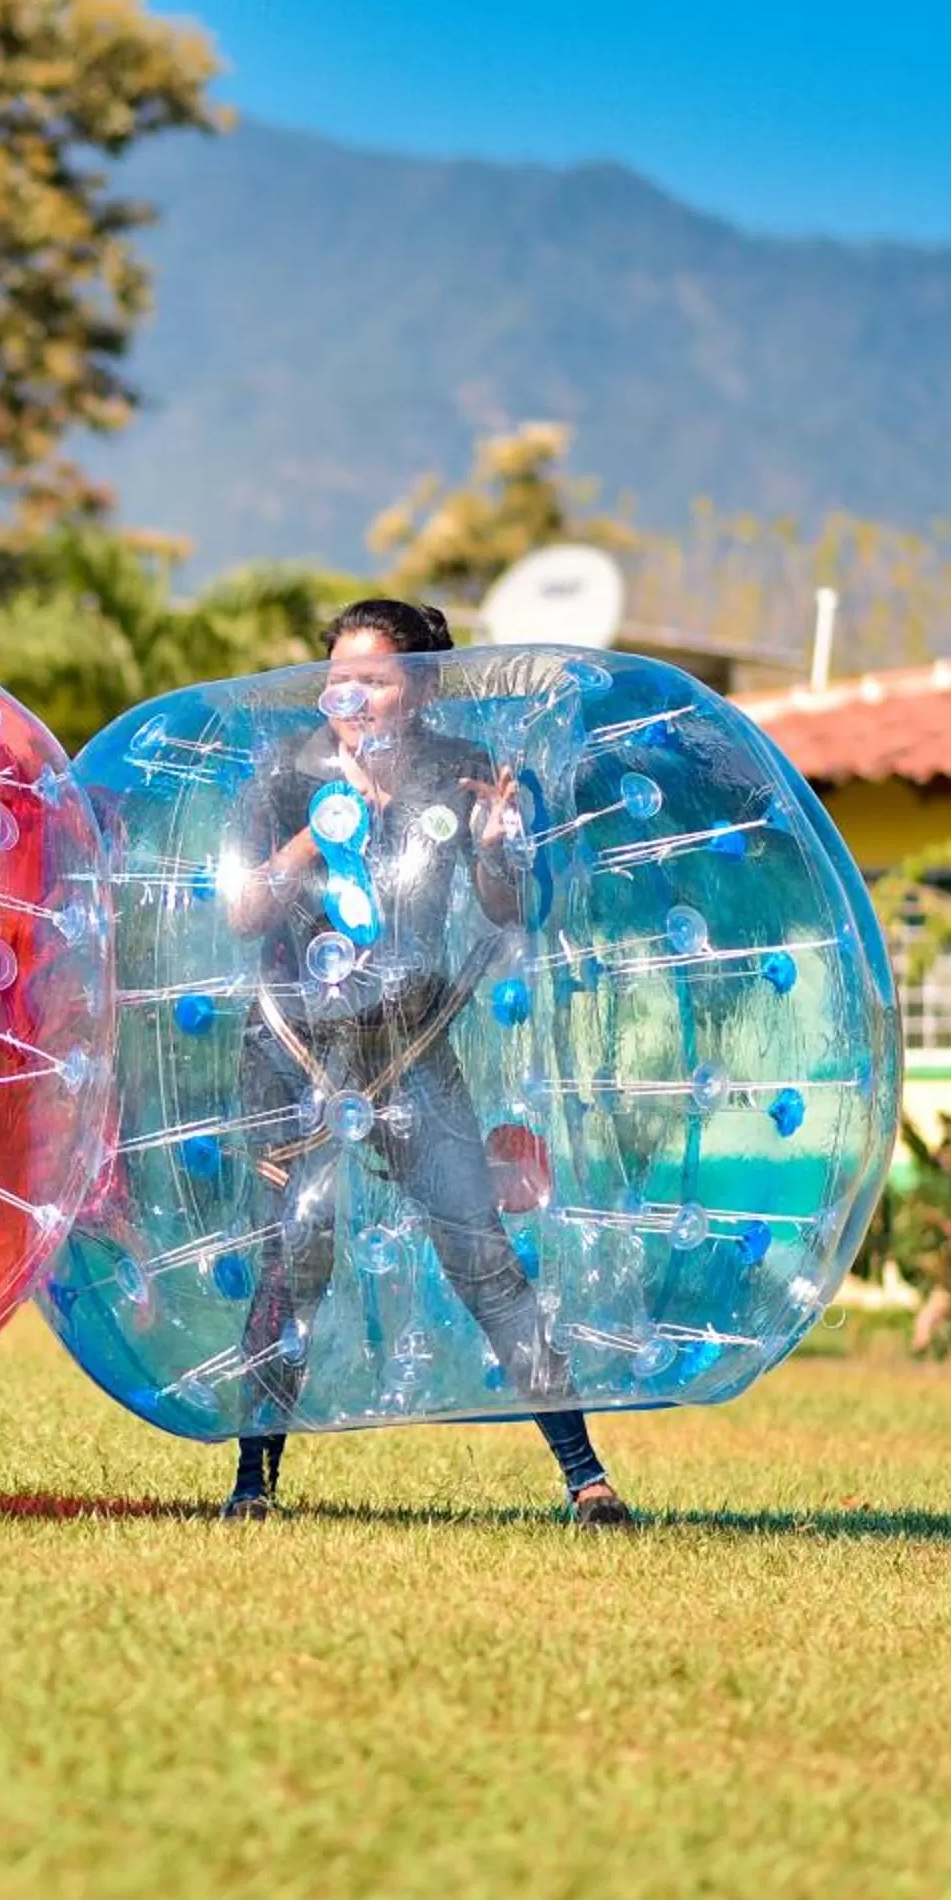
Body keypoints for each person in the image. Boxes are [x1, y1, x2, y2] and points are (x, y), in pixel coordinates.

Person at [213, 597, 633, 1527]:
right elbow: (244, 913)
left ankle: (585, 1476)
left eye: (375, 679)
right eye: (339, 678)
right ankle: (252, 1486)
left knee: (481, 1256)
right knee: (291, 1261)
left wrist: (497, 849)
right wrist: (313, 835)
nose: (351, 695)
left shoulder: (464, 772)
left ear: (423, 689)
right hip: (293, 1048)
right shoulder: (287, 773)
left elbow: (504, 911)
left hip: (411, 1041)